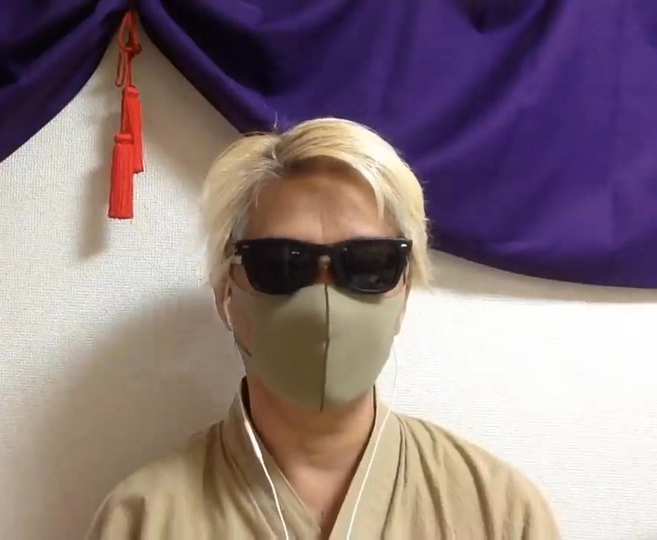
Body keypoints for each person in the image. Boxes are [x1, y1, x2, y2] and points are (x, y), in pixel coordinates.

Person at [86, 118, 559, 539]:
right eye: (282, 263)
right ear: (226, 294)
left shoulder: (499, 512)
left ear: (404, 294)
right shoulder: (144, 520)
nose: (324, 303)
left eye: (370, 264)